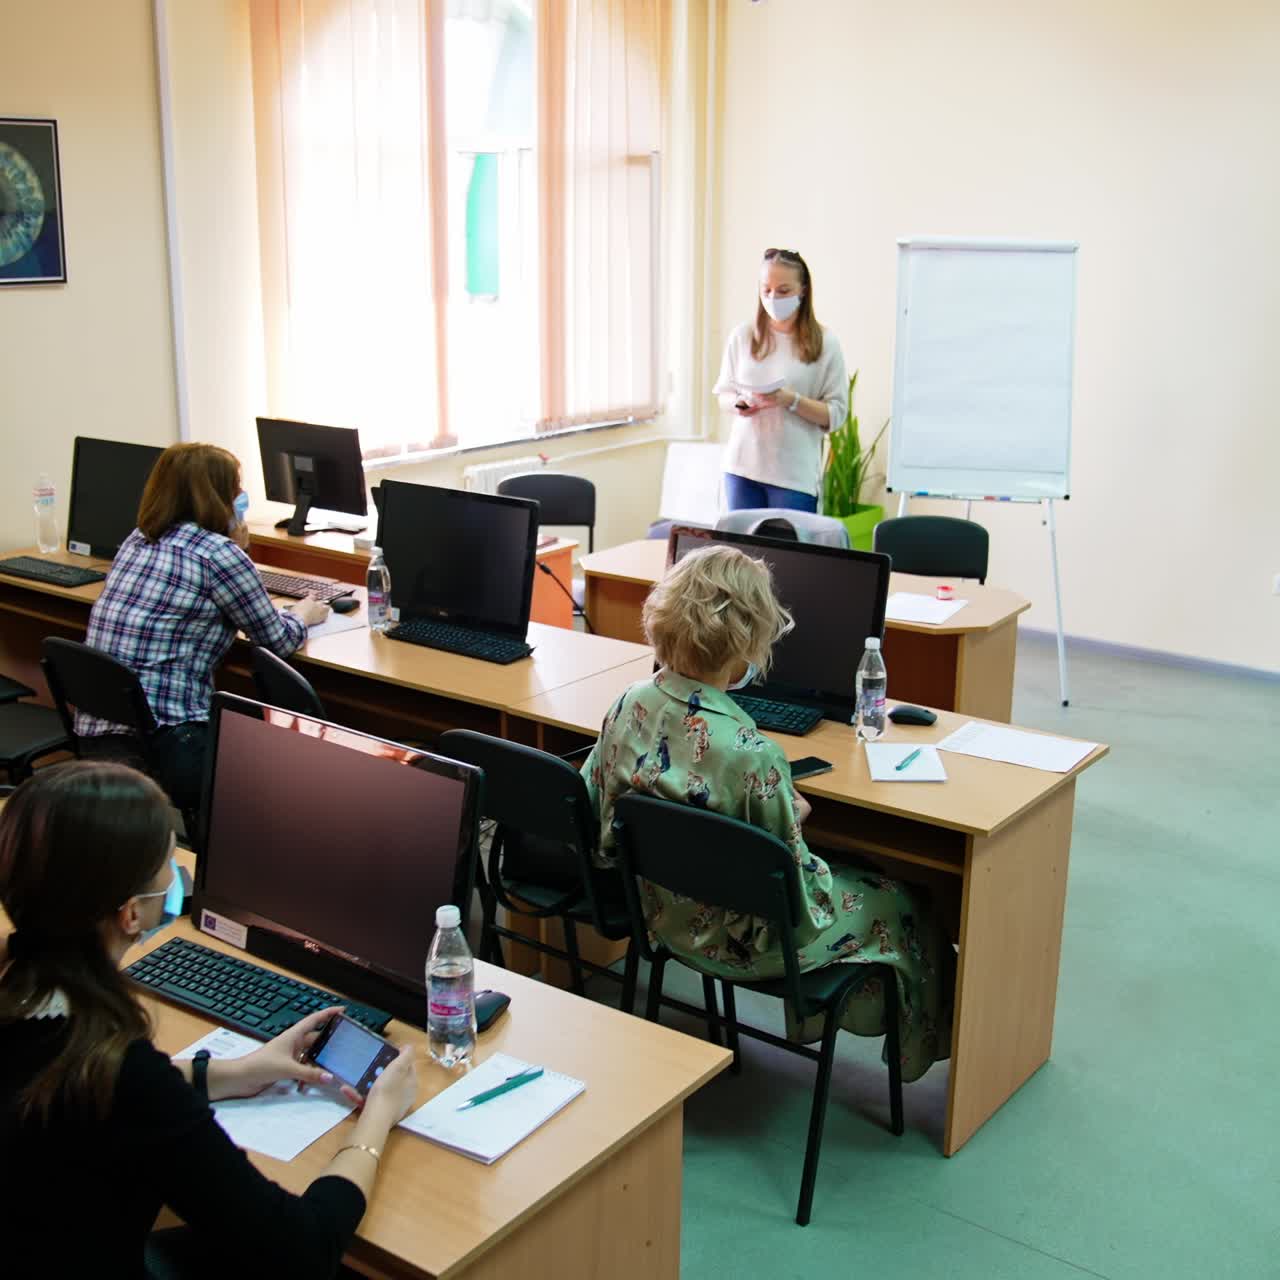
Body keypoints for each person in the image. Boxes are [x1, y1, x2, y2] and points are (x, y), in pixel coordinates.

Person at [0, 762, 418, 1277]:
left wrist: (233, 1072)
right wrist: (377, 1120)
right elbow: (300, 1249)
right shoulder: (124, 1073)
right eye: (166, 859)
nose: (176, 872)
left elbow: (73, 1089)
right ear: (131, 913)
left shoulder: (24, 1003)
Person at [582, 545, 953, 1082]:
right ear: (748, 638)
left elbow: (601, 811)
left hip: (660, 918)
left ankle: (822, 1027)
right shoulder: (751, 754)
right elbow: (799, 898)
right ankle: (911, 1060)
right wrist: (792, 815)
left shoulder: (628, 703)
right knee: (907, 901)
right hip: (745, 946)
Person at [76, 443, 329, 814]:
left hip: (100, 734)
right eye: (235, 487)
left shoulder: (139, 537)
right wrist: (304, 612)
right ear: (216, 494)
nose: (241, 496)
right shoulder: (218, 555)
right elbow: (277, 640)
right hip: (170, 742)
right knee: (283, 762)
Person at [714, 247, 849, 514]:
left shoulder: (825, 343)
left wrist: (792, 400)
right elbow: (724, 395)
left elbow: (836, 414)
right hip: (742, 469)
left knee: (790, 554)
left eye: (784, 291)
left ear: (803, 290)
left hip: (793, 478)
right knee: (739, 553)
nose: (773, 298)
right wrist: (739, 403)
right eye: (766, 290)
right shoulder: (743, 335)